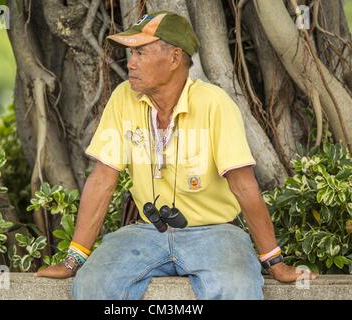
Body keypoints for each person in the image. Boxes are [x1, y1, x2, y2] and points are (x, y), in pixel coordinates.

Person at [35, 11, 318, 299]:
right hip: (147, 233)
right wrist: (74, 259)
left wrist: (275, 262)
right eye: (130, 53)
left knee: (235, 288)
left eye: (140, 52)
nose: (130, 63)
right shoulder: (123, 98)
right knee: (93, 284)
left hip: (215, 233)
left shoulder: (214, 104)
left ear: (174, 58)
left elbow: (243, 185)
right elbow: (102, 180)